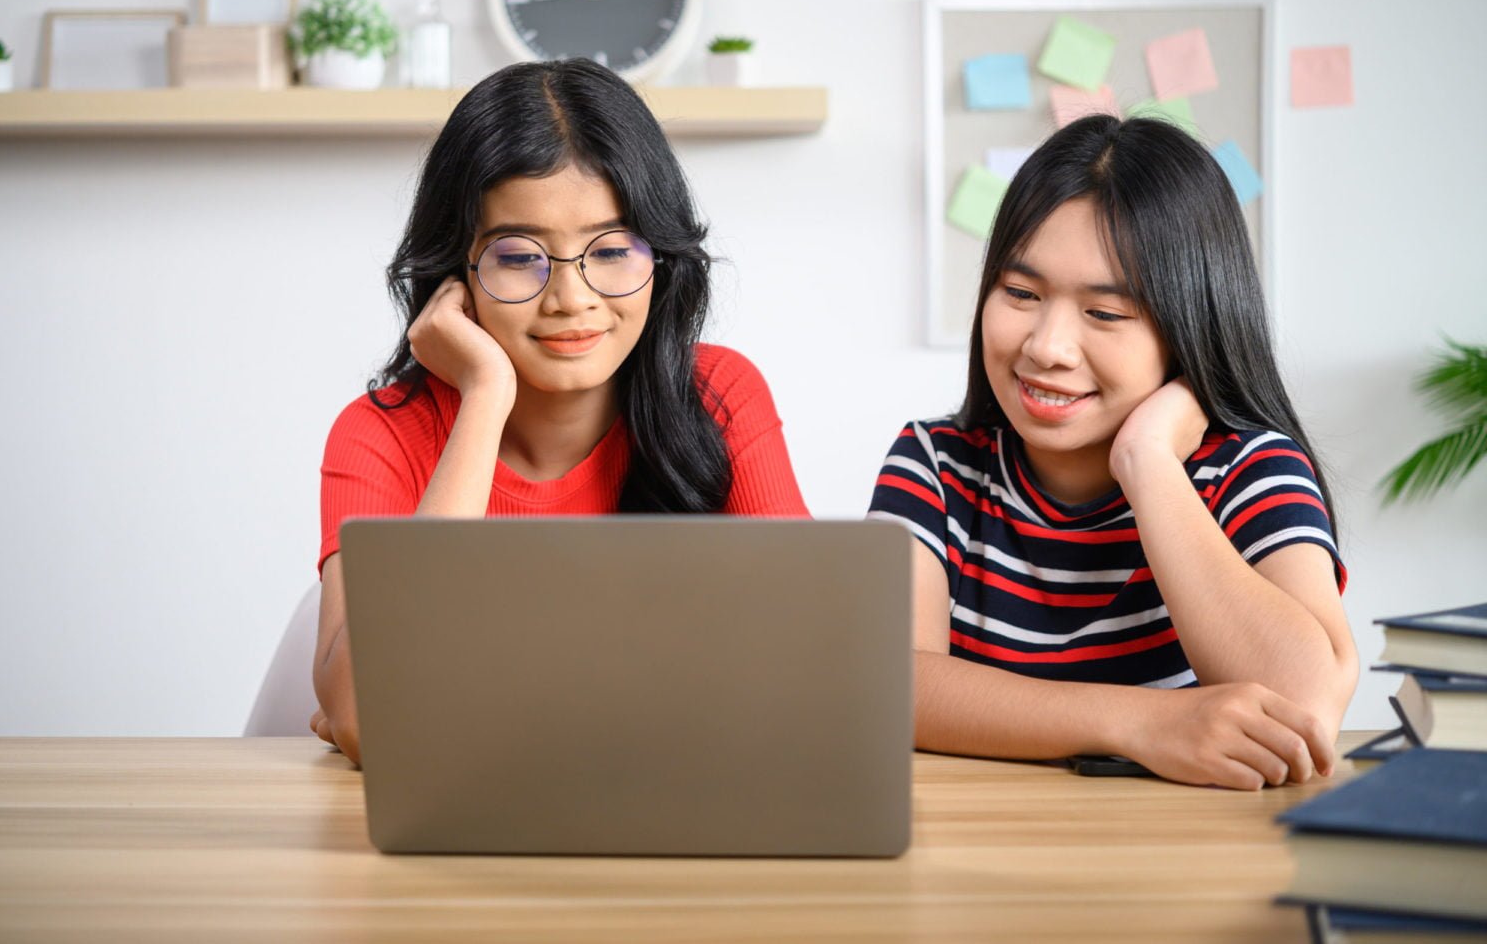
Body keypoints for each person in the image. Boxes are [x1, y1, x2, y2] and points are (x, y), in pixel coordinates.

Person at [313, 60, 810, 765]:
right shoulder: (380, 435)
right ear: (455, 276)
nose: (571, 298)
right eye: (519, 256)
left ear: (661, 258)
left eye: (609, 250)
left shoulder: (721, 396)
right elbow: (368, 716)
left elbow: (814, 673)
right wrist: (483, 394)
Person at [869, 115, 1357, 791]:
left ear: (1191, 325)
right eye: (1020, 294)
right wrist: (1144, 722)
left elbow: (1303, 706)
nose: (1046, 347)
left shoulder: (1247, 469)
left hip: (1186, 861)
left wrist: (1150, 462)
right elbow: (888, 683)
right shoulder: (935, 465)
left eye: (1105, 313)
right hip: (978, 851)